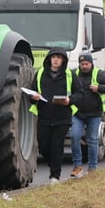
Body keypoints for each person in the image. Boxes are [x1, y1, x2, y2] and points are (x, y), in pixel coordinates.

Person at [29, 47, 77, 184]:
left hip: (63, 117)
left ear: (63, 60)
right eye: (54, 57)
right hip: (44, 117)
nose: (56, 60)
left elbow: (80, 93)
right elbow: (31, 93)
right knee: (43, 145)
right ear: (49, 59)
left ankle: (55, 175)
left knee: (56, 145)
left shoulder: (69, 75)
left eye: (59, 57)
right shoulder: (39, 74)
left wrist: (70, 100)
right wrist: (34, 97)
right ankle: (54, 166)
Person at [69, 52, 105, 178]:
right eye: (82, 64)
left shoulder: (99, 74)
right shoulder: (73, 74)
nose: (84, 66)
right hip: (77, 113)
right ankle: (77, 166)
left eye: (86, 64)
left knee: (92, 140)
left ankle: (92, 168)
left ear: (91, 64)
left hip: (94, 113)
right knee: (74, 136)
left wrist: (99, 88)